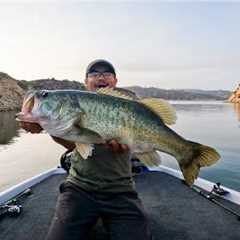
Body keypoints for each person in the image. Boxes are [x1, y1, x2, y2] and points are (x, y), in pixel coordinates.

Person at [20, 59, 152, 240]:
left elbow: (145, 141)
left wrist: (133, 145)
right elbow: (74, 144)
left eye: (107, 73)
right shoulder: (75, 107)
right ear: (86, 82)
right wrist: (44, 125)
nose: (101, 77)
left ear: (115, 81)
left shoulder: (129, 107)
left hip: (121, 190)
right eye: (94, 73)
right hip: (78, 188)